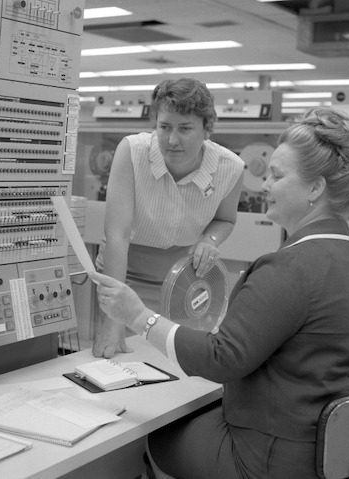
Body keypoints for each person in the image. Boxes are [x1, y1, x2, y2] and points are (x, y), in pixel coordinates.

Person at [91, 106, 349, 478]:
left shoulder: (291, 267)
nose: (263, 185)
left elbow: (221, 359)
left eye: (276, 176)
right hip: (329, 455)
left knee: (153, 435)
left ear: (315, 187)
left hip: (269, 460)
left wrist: (138, 316)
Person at [92, 78, 244, 359]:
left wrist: (209, 241)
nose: (172, 140)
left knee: (174, 366)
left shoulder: (230, 168)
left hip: (183, 283)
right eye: (164, 127)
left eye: (185, 129)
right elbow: (117, 236)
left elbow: (226, 220)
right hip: (124, 276)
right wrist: (112, 318)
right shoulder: (132, 152)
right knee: (116, 362)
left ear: (207, 129)